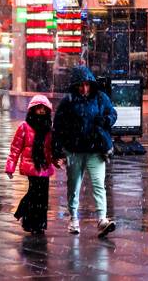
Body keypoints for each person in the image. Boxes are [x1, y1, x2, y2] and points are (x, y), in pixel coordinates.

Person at [53, 66, 117, 238]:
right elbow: (58, 126)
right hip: (74, 150)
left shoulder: (100, 98)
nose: (84, 88)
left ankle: (102, 219)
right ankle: (73, 218)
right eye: (81, 85)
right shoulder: (68, 101)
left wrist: (105, 120)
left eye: (87, 85)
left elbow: (112, 114)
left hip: (96, 149)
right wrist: (57, 151)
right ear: (75, 85)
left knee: (98, 185)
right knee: (74, 186)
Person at [6, 95, 57, 235]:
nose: (41, 111)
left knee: (42, 197)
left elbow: (52, 149)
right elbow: (15, 148)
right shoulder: (24, 126)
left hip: (44, 166)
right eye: (38, 108)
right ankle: (28, 220)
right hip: (31, 166)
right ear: (33, 109)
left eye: (44, 109)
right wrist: (10, 167)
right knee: (35, 193)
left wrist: (57, 160)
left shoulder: (49, 128)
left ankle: (39, 224)